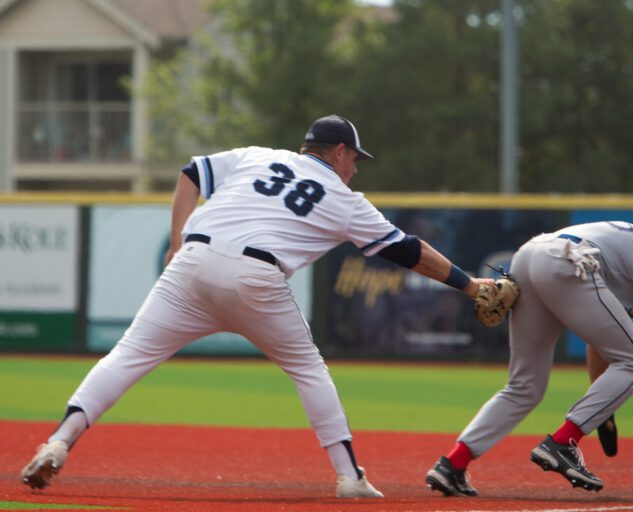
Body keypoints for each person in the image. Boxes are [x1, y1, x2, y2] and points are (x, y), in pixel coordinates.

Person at [21, 114, 489, 498]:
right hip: (256, 276)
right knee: (309, 369)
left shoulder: (256, 156)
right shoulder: (346, 200)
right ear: (339, 152)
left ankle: (58, 441)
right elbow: (411, 252)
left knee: (126, 356)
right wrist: (470, 287)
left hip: (193, 262)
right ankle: (349, 477)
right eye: (354, 159)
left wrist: (177, 238)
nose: (356, 169)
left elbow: (191, 172)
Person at [425, 219, 633, 495]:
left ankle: (452, 465)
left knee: (524, 386)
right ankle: (562, 443)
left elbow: (600, 343)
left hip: (531, 256)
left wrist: (604, 410)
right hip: (565, 263)